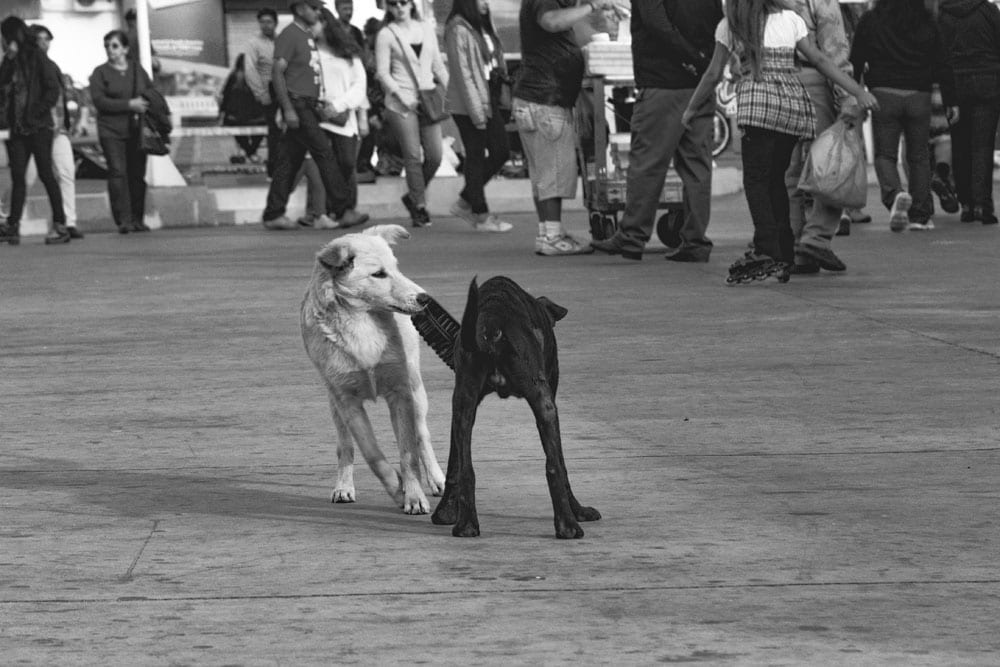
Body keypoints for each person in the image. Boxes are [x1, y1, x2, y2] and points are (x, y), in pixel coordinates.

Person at [682, 0, 878, 283]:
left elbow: (713, 73)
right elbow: (825, 58)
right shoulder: (791, 19)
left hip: (760, 107)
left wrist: (691, 108)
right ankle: (790, 249)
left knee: (765, 180)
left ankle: (770, 248)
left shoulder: (731, 26)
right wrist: (855, 91)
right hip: (793, 102)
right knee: (792, 175)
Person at [590, 0, 723, 262]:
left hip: (664, 83)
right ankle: (695, 240)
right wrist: (703, 61)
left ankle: (632, 236)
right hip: (700, 85)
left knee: (647, 163)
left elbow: (657, 25)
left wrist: (690, 58)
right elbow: (717, 23)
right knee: (697, 167)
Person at [510, 0, 616, 255]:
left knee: (543, 174)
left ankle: (547, 233)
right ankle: (553, 237)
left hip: (535, 99)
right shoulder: (548, 5)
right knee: (553, 172)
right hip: (546, 101)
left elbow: (570, 29)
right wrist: (591, 7)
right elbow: (552, 21)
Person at [260, 0, 369, 231]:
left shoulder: (308, 37)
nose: (319, 12)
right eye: (314, 8)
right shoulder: (290, 34)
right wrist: (288, 108)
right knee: (324, 152)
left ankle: (273, 212)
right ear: (300, 9)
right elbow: (277, 73)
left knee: (290, 160)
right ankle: (342, 209)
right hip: (299, 104)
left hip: (307, 104)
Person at [850, 0, 953, 232]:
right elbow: (942, 62)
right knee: (919, 156)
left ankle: (895, 195)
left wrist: (853, 91)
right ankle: (920, 214)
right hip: (920, 95)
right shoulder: (927, 20)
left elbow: (856, 58)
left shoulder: (871, 20)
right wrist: (950, 99)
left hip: (883, 94)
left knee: (885, 155)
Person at [781, 0, 859, 275]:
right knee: (829, 166)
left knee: (787, 173)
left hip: (770, 82)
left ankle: (792, 247)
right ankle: (815, 239)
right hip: (813, 78)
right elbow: (833, 44)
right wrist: (848, 95)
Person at [0, 25, 82, 244]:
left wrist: (35, 112)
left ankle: (60, 224)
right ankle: (12, 225)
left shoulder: (37, 57)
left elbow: (52, 89)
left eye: (6, 38)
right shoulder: (11, 60)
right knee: (18, 177)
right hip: (17, 129)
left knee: (47, 173)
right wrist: (8, 59)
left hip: (38, 127)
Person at [375, 0, 449, 227]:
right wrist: (401, 95)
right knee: (412, 156)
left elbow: (437, 64)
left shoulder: (426, 28)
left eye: (403, 2)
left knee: (435, 156)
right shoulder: (386, 34)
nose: (399, 7)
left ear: (412, 4)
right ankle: (419, 206)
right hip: (400, 103)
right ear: (388, 7)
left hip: (427, 99)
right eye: (393, 3)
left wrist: (451, 92)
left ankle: (412, 196)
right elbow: (382, 73)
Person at [444, 0, 514, 233]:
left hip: (487, 96)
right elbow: (463, 75)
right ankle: (480, 214)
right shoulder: (458, 29)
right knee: (476, 154)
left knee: (500, 151)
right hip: (467, 103)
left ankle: (466, 201)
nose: (486, 3)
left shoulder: (482, 25)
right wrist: (477, 112)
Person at [304, 7, 370, 229]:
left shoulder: (347, 51)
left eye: (312, 23)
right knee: (320, 164)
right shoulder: (306, 52)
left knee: (346, 163)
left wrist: (340, 106)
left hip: (342, 116)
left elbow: (359, 84)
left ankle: (336, 210)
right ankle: (325, 212)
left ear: (325, 23)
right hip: (316, 115)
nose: (309, 28)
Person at [938, 0, 1000, 226]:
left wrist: (947, 96)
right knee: (982, 146)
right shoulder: (988, 10)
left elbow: (940, 56)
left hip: (956, 83)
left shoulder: (943, 14)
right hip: (988, 81)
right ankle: (983, 205)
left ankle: (966, 205)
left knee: (960, 145)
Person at [89, 29, 153, 234]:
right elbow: (100, 101)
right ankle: (123, 219)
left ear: (125, 49)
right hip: (110, 130)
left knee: (137, 173)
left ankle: (138, 218)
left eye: (115, 46)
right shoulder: (100, 73)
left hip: (135, 130)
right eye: (107, 46)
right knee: (117, 172)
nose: (110, 50)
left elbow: (150, 92)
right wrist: (129, 104)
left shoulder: (137, 70)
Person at [243, 7, 280, 177]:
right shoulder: (253, 43)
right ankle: (273, 170)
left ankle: (289, 169)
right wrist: (261, 93)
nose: (265, 26)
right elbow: (250, 69)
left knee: (291, 133)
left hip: (286, 90)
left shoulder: (282, 40)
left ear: (275, 23)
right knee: (274, 133)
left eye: (269, 22)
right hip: (268, 91)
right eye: (262, 22)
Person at [219, 53, 267, 164]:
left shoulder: (234, 76)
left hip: (235, 118)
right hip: (258, 118)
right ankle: (252, 152)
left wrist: (221, 113)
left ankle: (249, 152)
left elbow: (225, 96)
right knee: (262, 129)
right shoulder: (259, 76)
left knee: (237, 131)